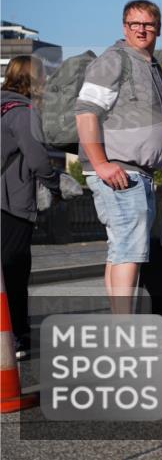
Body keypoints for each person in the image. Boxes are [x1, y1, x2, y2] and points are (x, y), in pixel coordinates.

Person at [75, 0, 162, 313]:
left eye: (148, 24)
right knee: (129, 251)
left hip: (136, 172)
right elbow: (86, 113)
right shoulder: (115, 61)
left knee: (122, 250)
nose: (141, 29)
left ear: (159, 29)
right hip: (120, 171)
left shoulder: (148, 63)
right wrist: (100, 163)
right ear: (124, 27)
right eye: (134, 24)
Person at [1, 56, 61, 359]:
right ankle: (18, 338)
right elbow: (37, 158)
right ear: (32, 80)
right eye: (42, 76)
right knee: (14, 269)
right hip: (11, 201)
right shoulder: (23, 112)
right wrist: (55, 182)